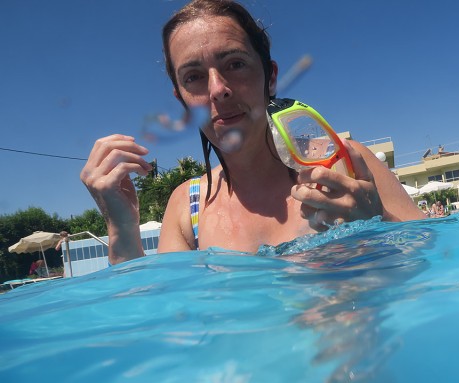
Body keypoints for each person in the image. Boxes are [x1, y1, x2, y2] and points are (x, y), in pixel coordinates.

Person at [80, 0, 424, 266]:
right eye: (194, 77)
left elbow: (435, 270)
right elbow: (164, 322)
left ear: (270, 78)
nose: (218, 89)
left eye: (235, 64)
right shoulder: (187, 207)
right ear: (182, 101)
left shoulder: (345, 166)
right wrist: (122, 229)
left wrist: (377, 224)